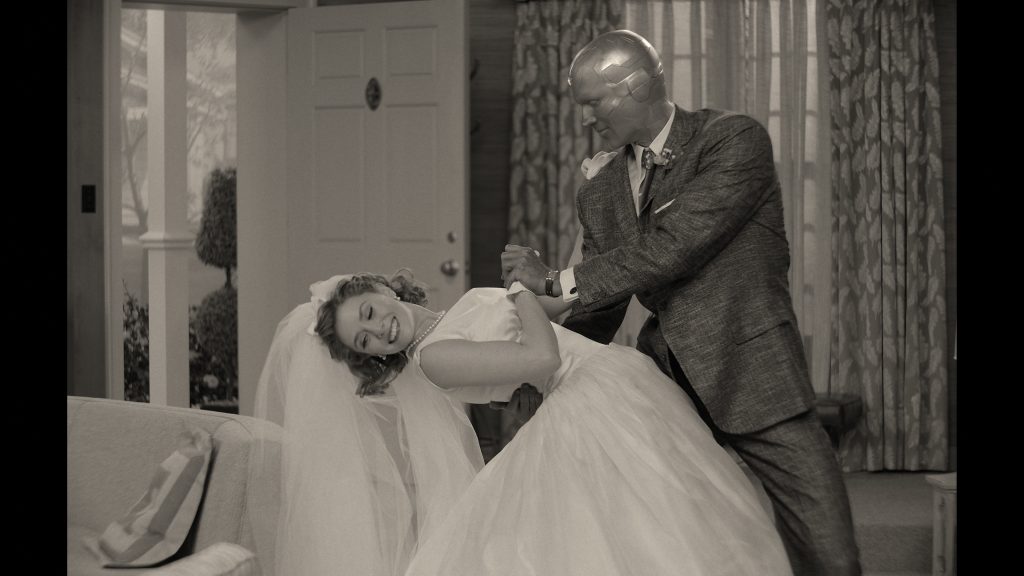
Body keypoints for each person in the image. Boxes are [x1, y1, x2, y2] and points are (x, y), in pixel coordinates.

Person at [501, 30, 860, 575]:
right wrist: (545, 369)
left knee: (829, 550)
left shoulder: (731, 140)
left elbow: (673, 249)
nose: (586, 119)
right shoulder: (598, 189)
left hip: (753, 372)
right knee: (675, 541)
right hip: (664, 384)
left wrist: (552, 281)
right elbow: (602, 305)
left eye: (593, 103)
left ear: (636, 86)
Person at [250, 270, 793, 576]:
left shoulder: (452, 316)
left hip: (609, 381)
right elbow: (541, 358)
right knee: (636, 529)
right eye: (365, 341)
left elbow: (558, 308)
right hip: (585, 400)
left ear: (382, 289)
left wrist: (543, 275)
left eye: (369, 313)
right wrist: (519, 292)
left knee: (672, 511)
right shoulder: (434, 357)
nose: (379, 331)